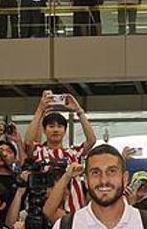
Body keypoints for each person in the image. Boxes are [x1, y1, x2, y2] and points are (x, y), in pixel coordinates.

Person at [26, 93, 97, 221]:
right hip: (48, 212)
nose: (56, 130)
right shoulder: (39, 151)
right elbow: (28, 143)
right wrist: (40, 109)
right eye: (51, 126)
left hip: (75, 212)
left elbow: (91, 140)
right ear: (44, 130)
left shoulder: (73, 152)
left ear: (65, 130)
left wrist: (78, 110)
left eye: (60, 126)